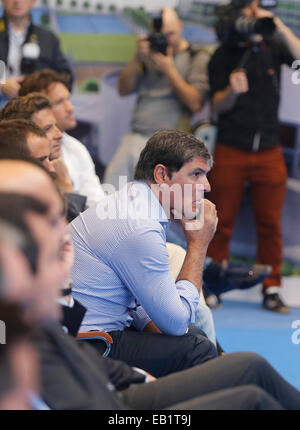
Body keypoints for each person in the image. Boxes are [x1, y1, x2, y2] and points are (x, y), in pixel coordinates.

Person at [1, 179, 300, 410]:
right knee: (247, 394)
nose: (64, 237)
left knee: (247, 365)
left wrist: (139, 378)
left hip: (118, 390)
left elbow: (80, 360)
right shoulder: (16, 340)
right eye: (51, 228)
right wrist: (198, 244)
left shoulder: (35, 317)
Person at [71, 130, 221, 374]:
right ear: (161, 174)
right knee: (196, 348)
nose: (206, 186)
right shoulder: (140, 224)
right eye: (196, 174)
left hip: (85, 334)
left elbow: (145, 306)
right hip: (89, 345)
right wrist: (198, 244)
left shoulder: (135, 201)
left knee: (194, 337)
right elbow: (176, 323)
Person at [206, 0, 300, 313]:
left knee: (270, 224)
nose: (253, 13)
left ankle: (272, 289)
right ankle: (212, 284)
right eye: (248, 8)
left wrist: (277, 25)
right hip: (231, 146)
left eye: (258, 7)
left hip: (270, 150)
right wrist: (232, 91)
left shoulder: (274, 46)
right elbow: (215, 107)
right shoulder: (223, 54)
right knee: (221, 222)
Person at [104, 7, 210, 189]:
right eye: (159, 35)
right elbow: (123, 89)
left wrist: (169, 70)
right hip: (136, 136)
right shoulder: (148, 56)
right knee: (111, 190)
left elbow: (195, 103)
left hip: (170, 144)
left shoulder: (196, 57)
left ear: (180, 27)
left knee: (159, 202)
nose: (164, 40)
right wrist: (137, 58)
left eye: (170, 34)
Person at [19, 68, 105, 207]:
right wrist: (67, 190)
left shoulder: (75, 148)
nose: (70, 107)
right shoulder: (19, 158)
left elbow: (98, 205)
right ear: (35, 108)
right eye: (59, 102)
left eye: (68, 99)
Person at [0, 93, 87, 221]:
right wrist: (67, 189)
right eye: (47, 129)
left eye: (56, 126)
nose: (59, 135)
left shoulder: (69, 153)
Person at [0, 0, 73, 105]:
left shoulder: (48, 38)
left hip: (36, 111)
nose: (17, 1)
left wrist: (41, 88)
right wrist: (1, 85)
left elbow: (65, 76)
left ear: (33, 2)